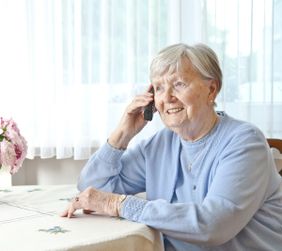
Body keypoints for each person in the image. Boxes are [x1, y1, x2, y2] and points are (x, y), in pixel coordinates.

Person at [61, 43, 282, 250]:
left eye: (179, 84)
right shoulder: (161, 143)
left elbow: (213, 225)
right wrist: (122, 134)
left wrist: (118, 204)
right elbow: (92, 188)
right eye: (158, 88)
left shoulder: (245, 141)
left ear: (212, 89)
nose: (167, 98)